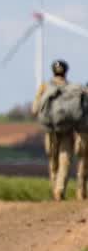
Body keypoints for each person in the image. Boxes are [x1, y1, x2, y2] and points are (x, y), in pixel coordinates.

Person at [32, 60, 76, 201]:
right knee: (65, 159)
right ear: (66, 71)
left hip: (50, 129)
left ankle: (54, 188)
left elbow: (34, 109)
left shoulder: (44, 87)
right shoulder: (71, 88)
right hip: (67, 130)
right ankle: (60, 189)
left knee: (53, 160)